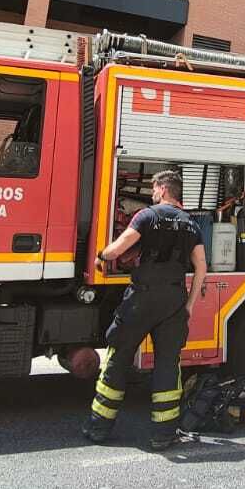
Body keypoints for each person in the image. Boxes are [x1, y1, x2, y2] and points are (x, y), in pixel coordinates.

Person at [83, 170, 207, 451]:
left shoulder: (147, 216)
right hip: (174, 301)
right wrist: (187, 305)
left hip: (142, 298)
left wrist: (101, 255)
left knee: (118, 357)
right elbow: (201, 267)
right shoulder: (192, 225)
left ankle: (99, 427)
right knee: (167, 365)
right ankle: (163, 434)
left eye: (153, 189)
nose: (152, 194)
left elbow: (119, 249)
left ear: (163, 189)